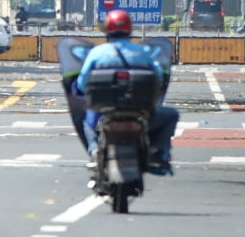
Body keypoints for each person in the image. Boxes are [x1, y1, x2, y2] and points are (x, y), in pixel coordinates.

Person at [76, 9, 179, 175]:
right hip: (141, 111)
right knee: (171, 115)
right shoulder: (142, 52)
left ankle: (94, 150)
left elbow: (82, 83)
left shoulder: (97, 53)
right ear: (129, 30)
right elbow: (159, 78)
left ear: (107, 30)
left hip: (104, 112)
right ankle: (158, 153)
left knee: (86, 119)